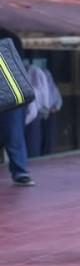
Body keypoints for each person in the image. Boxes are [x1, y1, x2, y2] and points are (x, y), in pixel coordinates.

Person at [0, 28, 35, 186]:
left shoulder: (9, 37)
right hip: (11, 94)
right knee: (14, 132)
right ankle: (20, 171)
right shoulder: (11, 36)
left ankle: (20, 171)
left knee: (14, 133)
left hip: (9, 92)